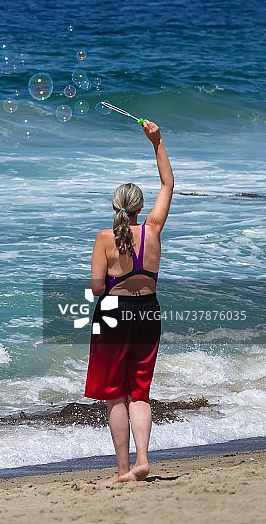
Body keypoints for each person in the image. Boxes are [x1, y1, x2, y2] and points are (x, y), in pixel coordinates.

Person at [84, 119, 174, 484]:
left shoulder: (104, 238)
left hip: (113, 314)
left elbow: (97, 289)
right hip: (149, 312)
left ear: (115, 206)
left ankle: (123, 471)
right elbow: (168, 184)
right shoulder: (152, 230)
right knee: (139, 393)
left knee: (115, 395)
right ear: (139, 207)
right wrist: (157, 142)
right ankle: (143, 460)